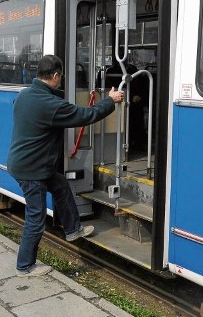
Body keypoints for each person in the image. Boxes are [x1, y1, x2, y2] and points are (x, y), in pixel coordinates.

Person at [7, 54, 124, 276]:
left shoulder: (24, 95)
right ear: (55, 75)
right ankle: (25, 266)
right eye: (60, 78)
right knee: (36, 217)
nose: (61, 81)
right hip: (32, 171)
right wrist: (111, 100)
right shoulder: (49, 104)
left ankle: (73, 229)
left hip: (29, 163)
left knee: (60, 185)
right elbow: (86, 115)